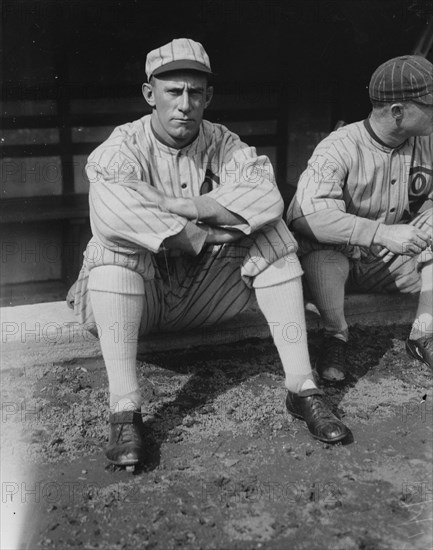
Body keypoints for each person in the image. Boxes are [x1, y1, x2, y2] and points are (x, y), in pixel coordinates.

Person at [68, 38, 350, 468]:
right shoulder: (122, 146)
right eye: (173, 91)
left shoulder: (225, 143)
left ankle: (302, 387)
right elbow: (111, 215)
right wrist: (205, 232)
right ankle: (124, 411)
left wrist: (188, 208)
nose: (185, 103)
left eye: (195, 92)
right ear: (150, 95)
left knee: (272, 234)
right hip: (137, 304)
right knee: (111, 252)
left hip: (204, 294)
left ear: (208, 97)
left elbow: (267, 198)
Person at [287, 55, 433, 383]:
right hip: (338, 267)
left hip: (388, 265)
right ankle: (334, 336)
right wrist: (379, 232)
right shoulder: (339, 146)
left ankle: (424, 333)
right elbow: (304, 216)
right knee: (320, 248)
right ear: (397, 112)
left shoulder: (427, 140)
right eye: (430, 104)